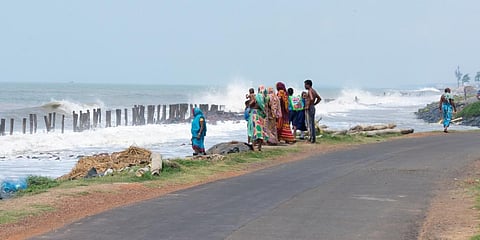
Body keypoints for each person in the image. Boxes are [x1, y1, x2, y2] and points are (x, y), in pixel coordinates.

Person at [248, 85, 268, 151]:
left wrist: (249, 104)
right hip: (261, 114)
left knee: (254, 130)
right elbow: (265, 106)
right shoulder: (265, 98)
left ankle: (253, 146)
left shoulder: (257, 96)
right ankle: (259, 147)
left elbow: (251, 104)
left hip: (255, 114)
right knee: (261, 131)